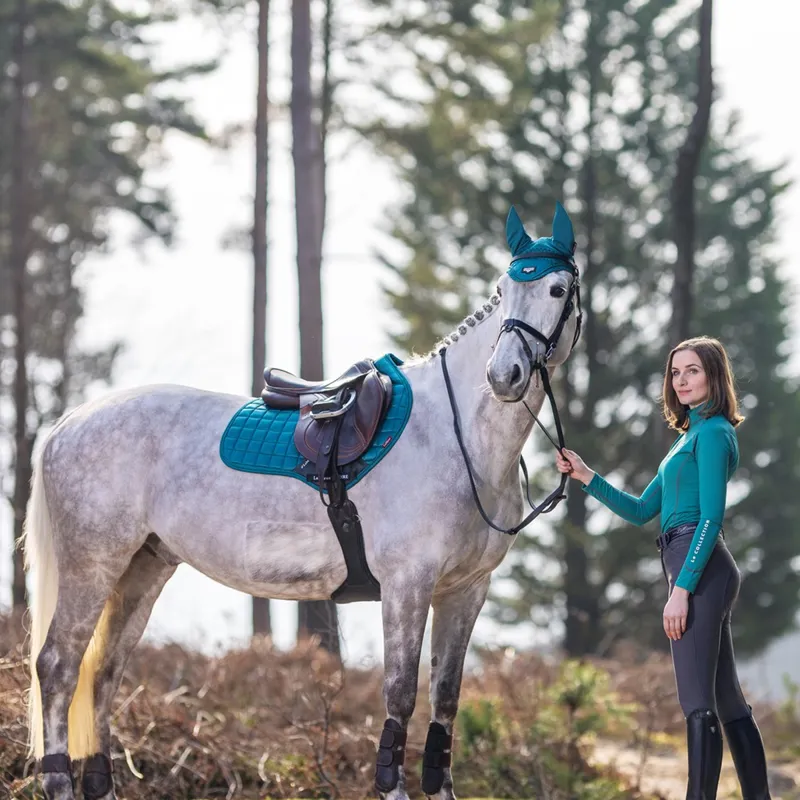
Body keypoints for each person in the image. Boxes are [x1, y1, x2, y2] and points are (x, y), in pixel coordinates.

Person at [556, 336, 771, 800]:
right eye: (676, 373)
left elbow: (712, 517)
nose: (682, 380)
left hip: (699, 567)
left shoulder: (713, 434)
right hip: (698, 567)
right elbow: (639, 510)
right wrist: (585, 475)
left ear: (714, 376)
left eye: (692, 370)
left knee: (698, 704)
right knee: (727, 701)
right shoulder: (687, 439)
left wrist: (681, 589)